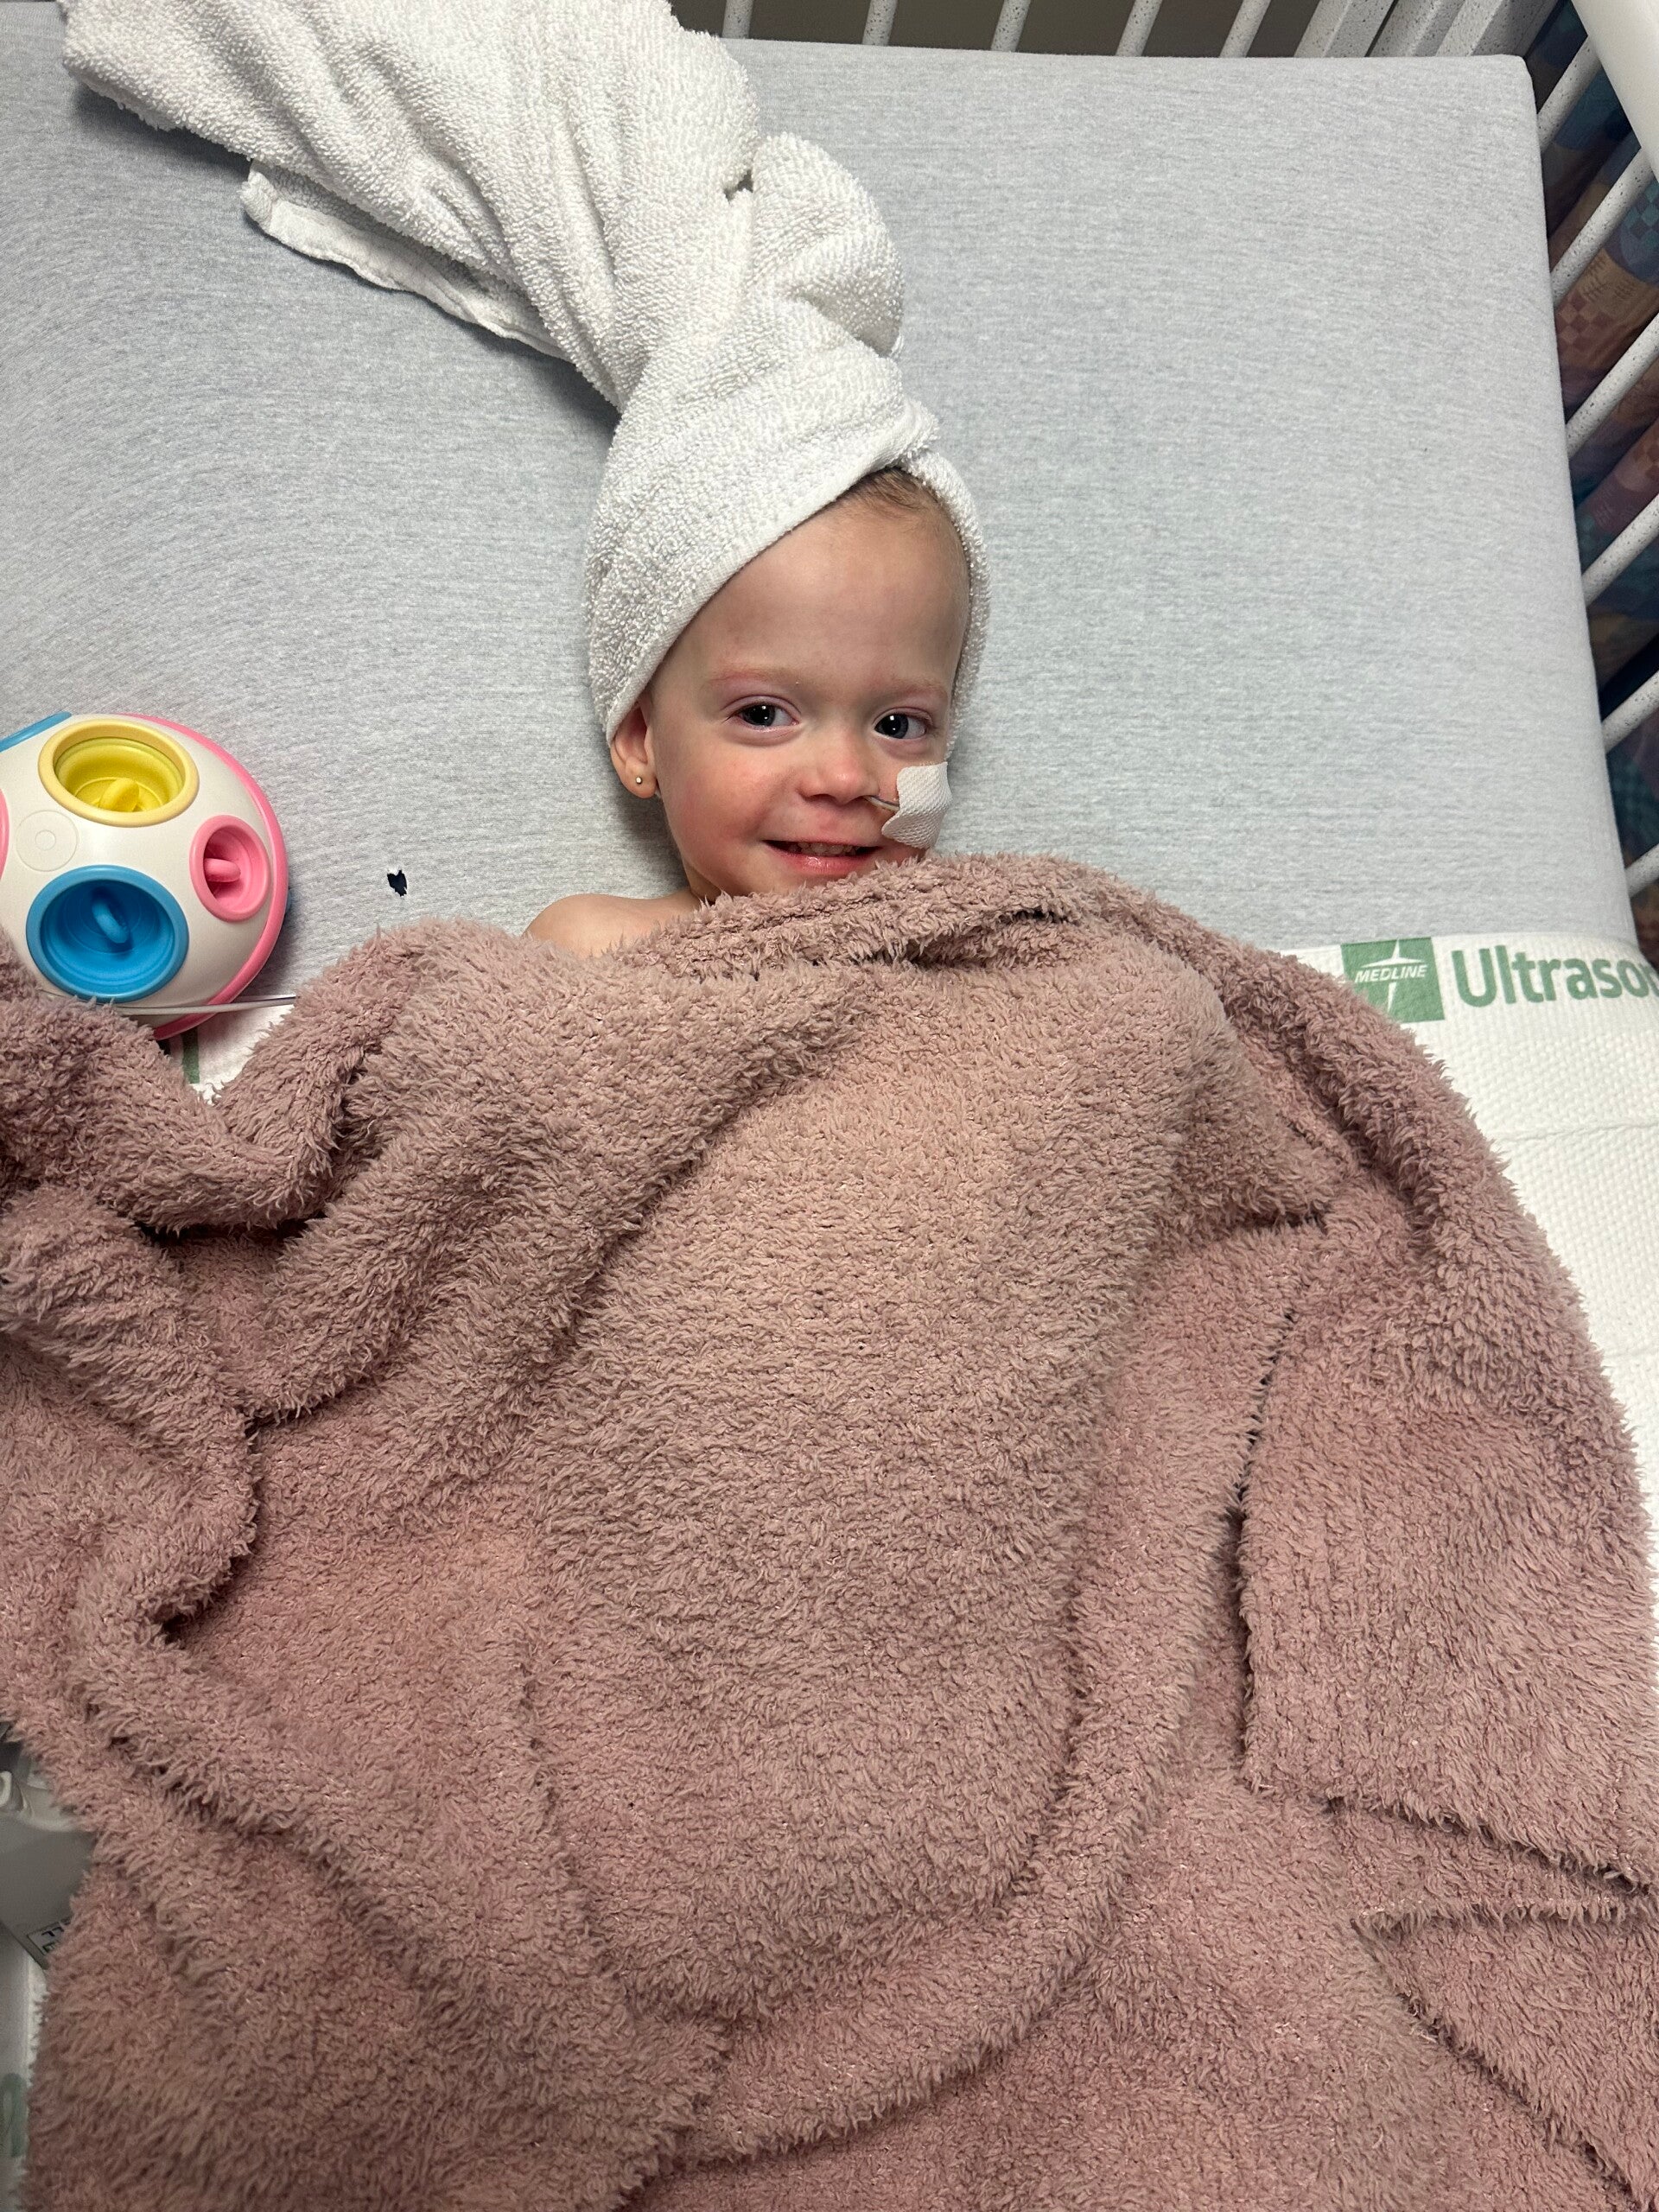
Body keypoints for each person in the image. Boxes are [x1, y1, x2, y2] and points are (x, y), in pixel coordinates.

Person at [527, 466, 971, 957]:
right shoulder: (597, 949)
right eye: (763, 715)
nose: (845, 779)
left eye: (898, 725)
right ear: (641, 738)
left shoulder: (973, 937)